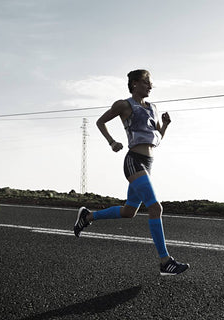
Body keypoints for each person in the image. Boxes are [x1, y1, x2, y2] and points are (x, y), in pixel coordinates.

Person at [73, 69, 189, 276]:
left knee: (129, 212)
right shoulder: (124, 105)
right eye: (146, 82)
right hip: (134, 161)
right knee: (155, 208)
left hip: (148, 162)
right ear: (134, 83)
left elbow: (156, 139)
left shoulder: (153, 108)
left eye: (150, 83)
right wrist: (112, 142)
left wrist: (166, 126)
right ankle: (165, 262)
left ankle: (88, 216)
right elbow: (100, 122)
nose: (150, 86)